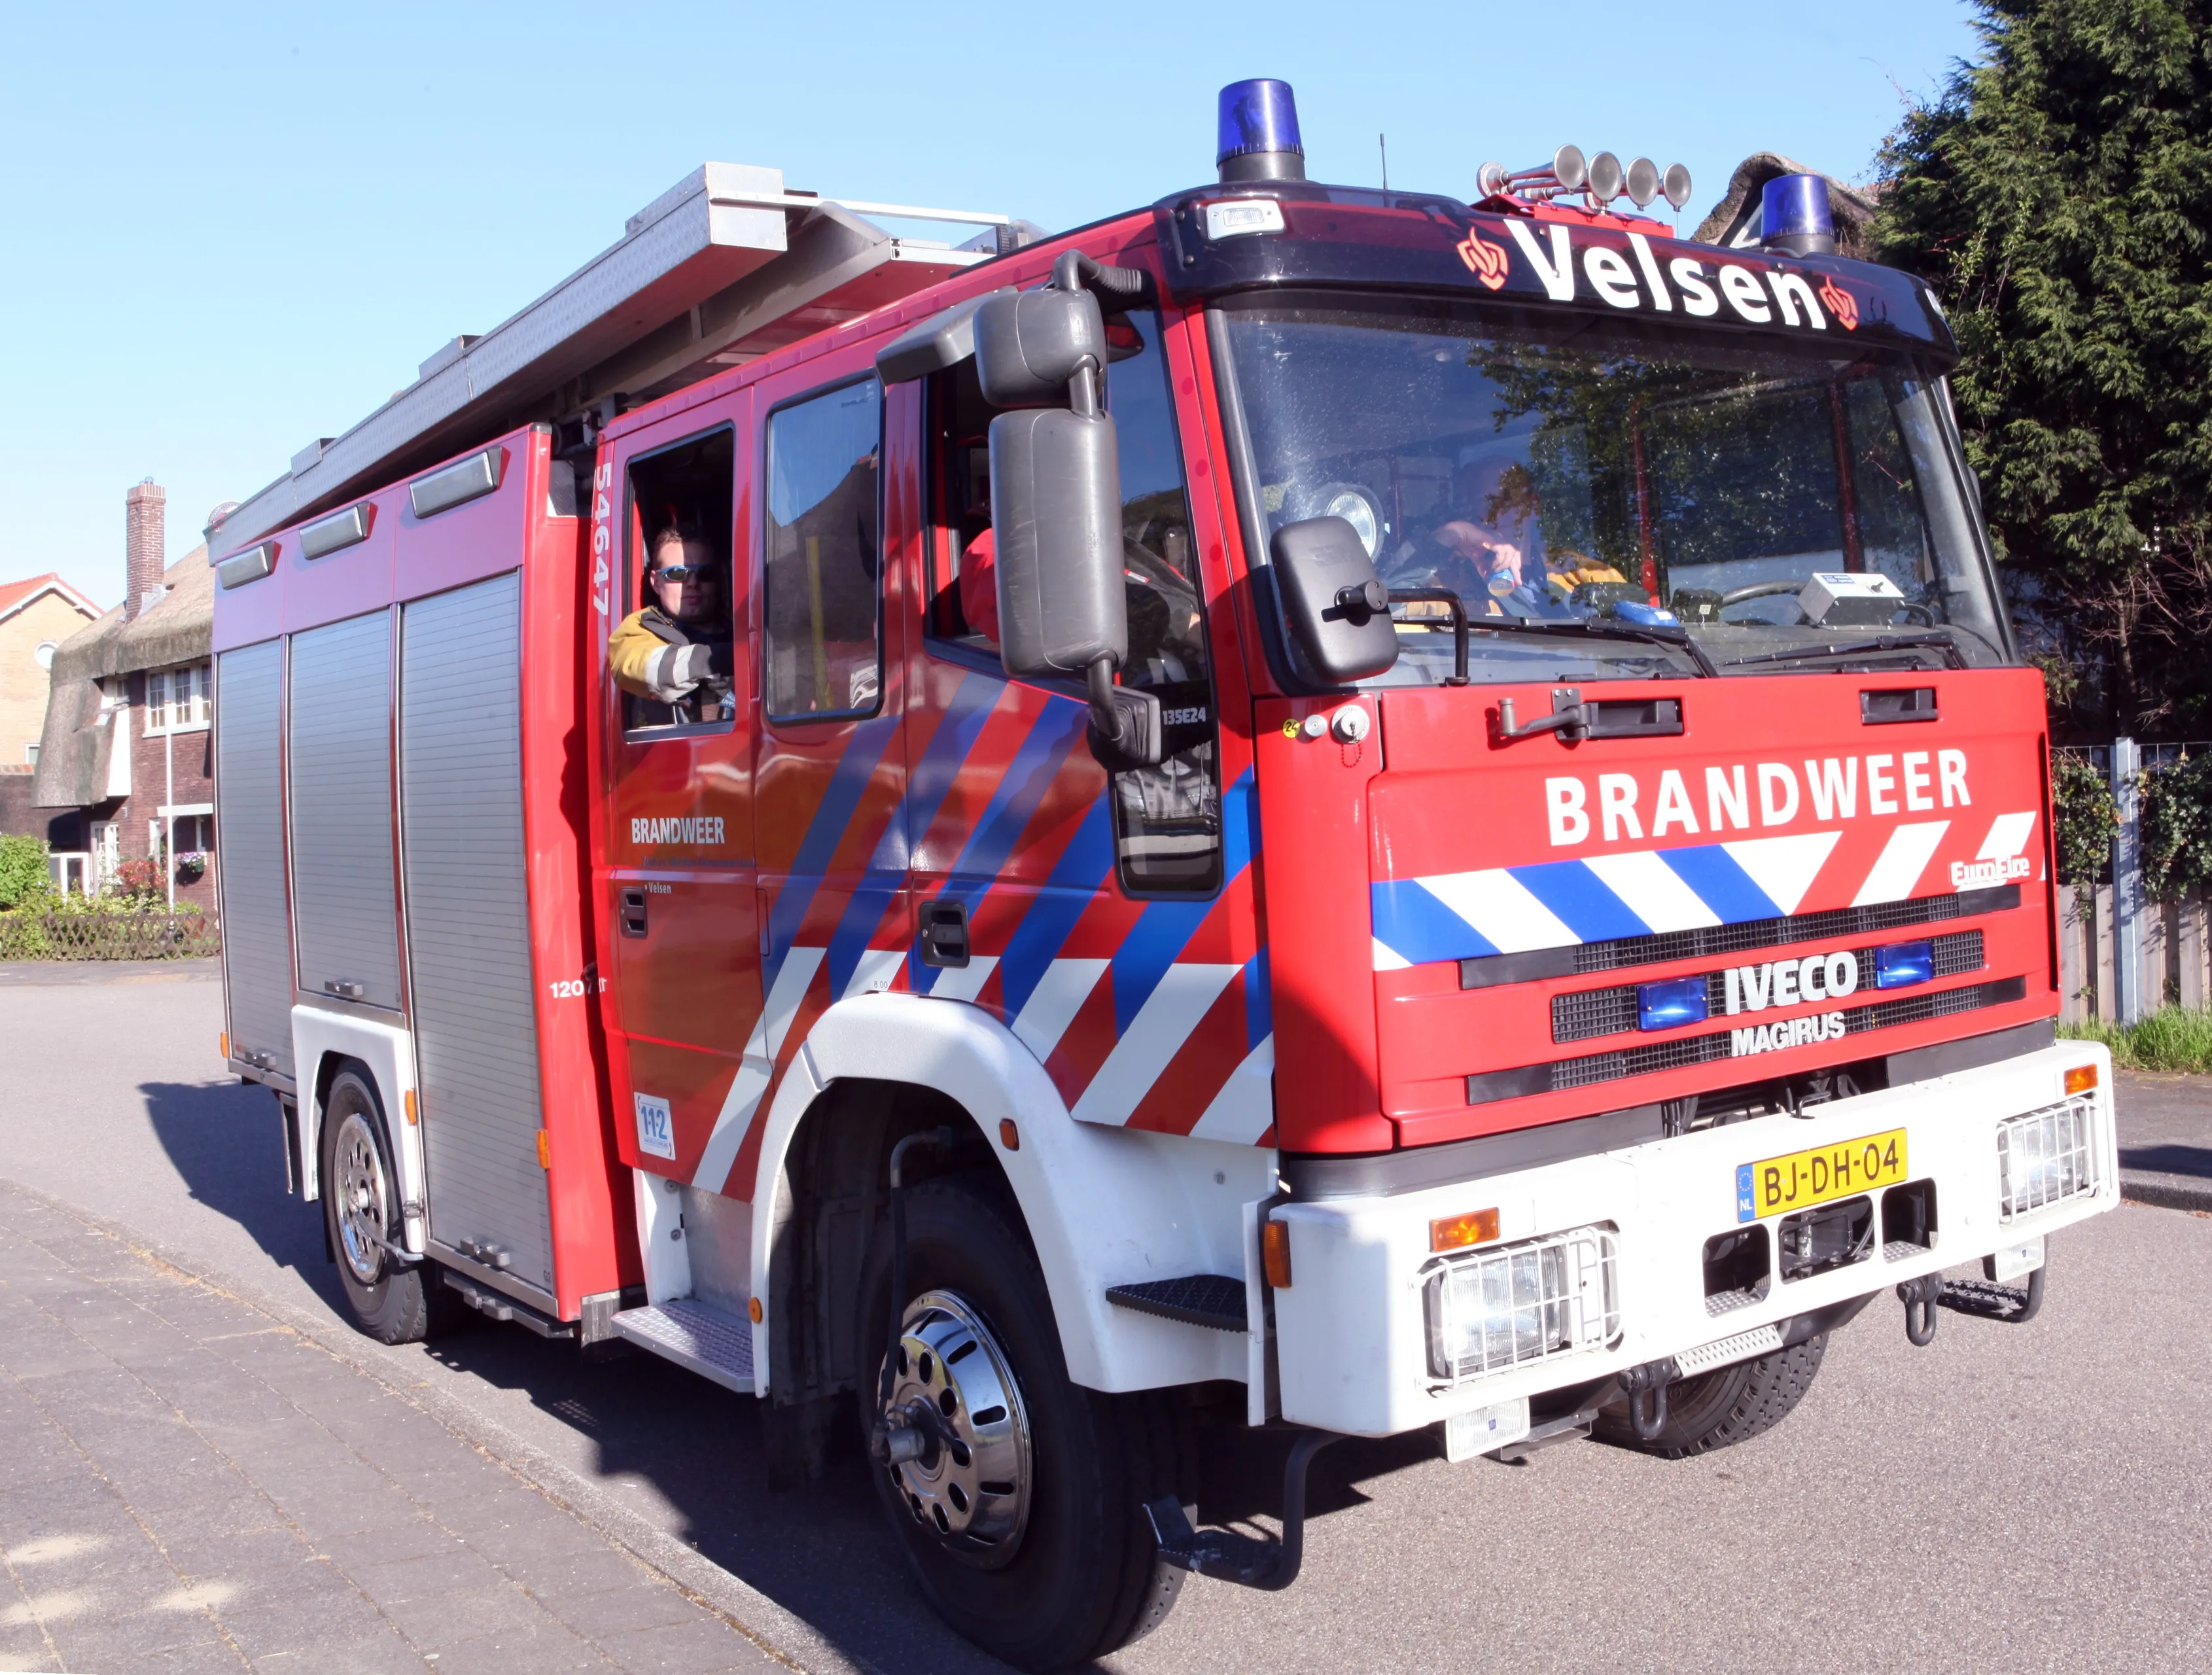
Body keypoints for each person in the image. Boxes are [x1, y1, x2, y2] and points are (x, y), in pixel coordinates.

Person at [610, 523, 731, 719]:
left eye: (704, 573)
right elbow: (643, 670)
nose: (692, 583)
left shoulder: (745, 622)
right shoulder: (638, 629)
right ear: (656, 582)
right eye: (677, 574)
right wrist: (723, 658)